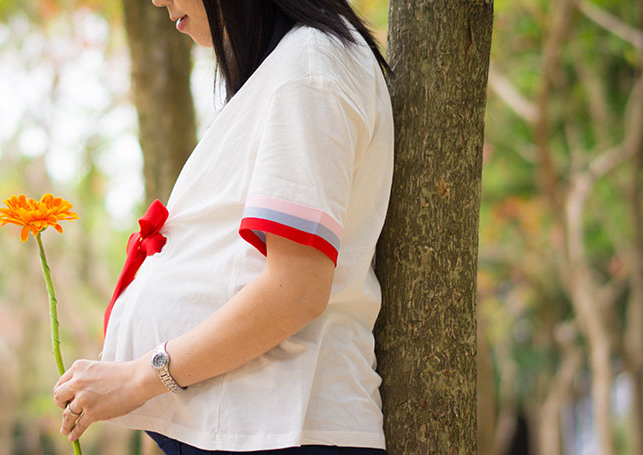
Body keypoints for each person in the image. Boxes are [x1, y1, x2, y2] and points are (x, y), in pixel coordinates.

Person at [52, 0, 394, 453]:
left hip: (281, 428)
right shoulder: (293, 67)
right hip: (254, 425)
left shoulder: (310, 69)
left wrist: (139, 377)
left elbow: (296, 290)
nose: (157, 0)